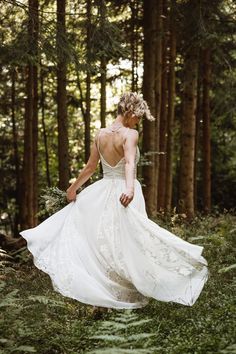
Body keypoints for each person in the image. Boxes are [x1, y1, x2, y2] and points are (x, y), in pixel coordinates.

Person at [20, 92, 208, 310]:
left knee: (109, 240)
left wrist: (72, 189)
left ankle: (113, 292)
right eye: (138, 116)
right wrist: (129, 188)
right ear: (129, 113)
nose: (139, 121)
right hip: (123, 191)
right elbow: (129, 162)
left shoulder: (100, 134)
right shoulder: (130, 134)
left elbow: (91, 168)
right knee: (129, 239)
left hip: (103, 190)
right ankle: (127, 289)